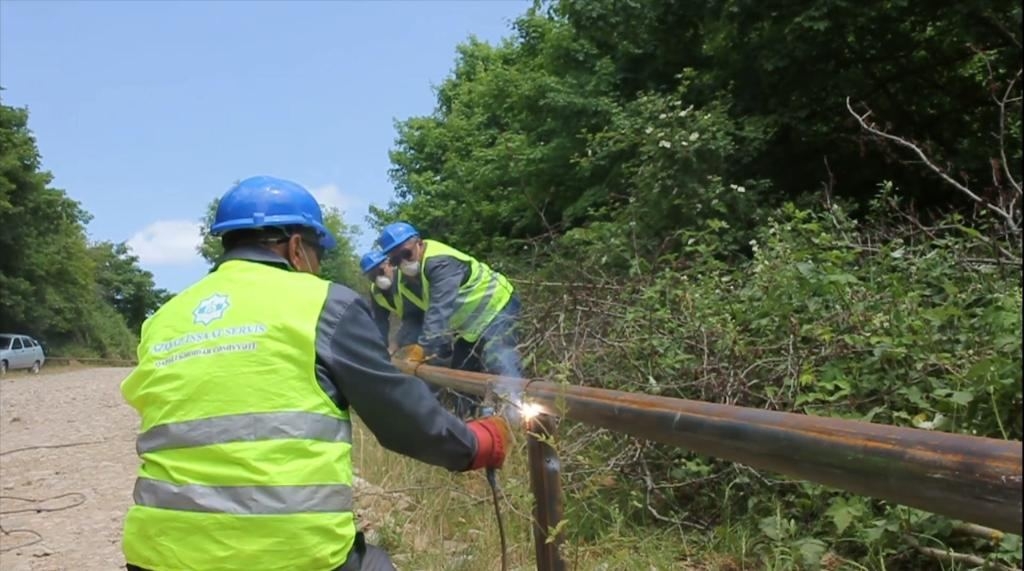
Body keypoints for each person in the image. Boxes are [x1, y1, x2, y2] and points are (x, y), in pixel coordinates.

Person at [119, 176, 511, 571]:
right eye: (317, 252)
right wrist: (473, 444)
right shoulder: (322, 302)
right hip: (287, 555)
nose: (318, 264)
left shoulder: (163, 319)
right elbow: (396, 414)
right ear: (295, 248)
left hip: (157, 554)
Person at [376, 222, 524, 416]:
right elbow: (414, 319)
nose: (403, 263)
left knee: (502, 364)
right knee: (461, 376)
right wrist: (401, 348)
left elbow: (439, 311)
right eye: (395, 260)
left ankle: (519, 422)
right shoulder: (405, 283)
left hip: (496, 308)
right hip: (469, 327)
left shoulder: (440, 262)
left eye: (406, 254)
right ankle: (469, 424)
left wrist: (423, 349)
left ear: (419, 243)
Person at [359, 250, 401, 346]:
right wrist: (380, 347)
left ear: (390, 265)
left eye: (381, 271)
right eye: (373, 276)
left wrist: (398, 341)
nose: (378, 278)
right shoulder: (375, 292)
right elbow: (380, 321)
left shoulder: (405, 278)